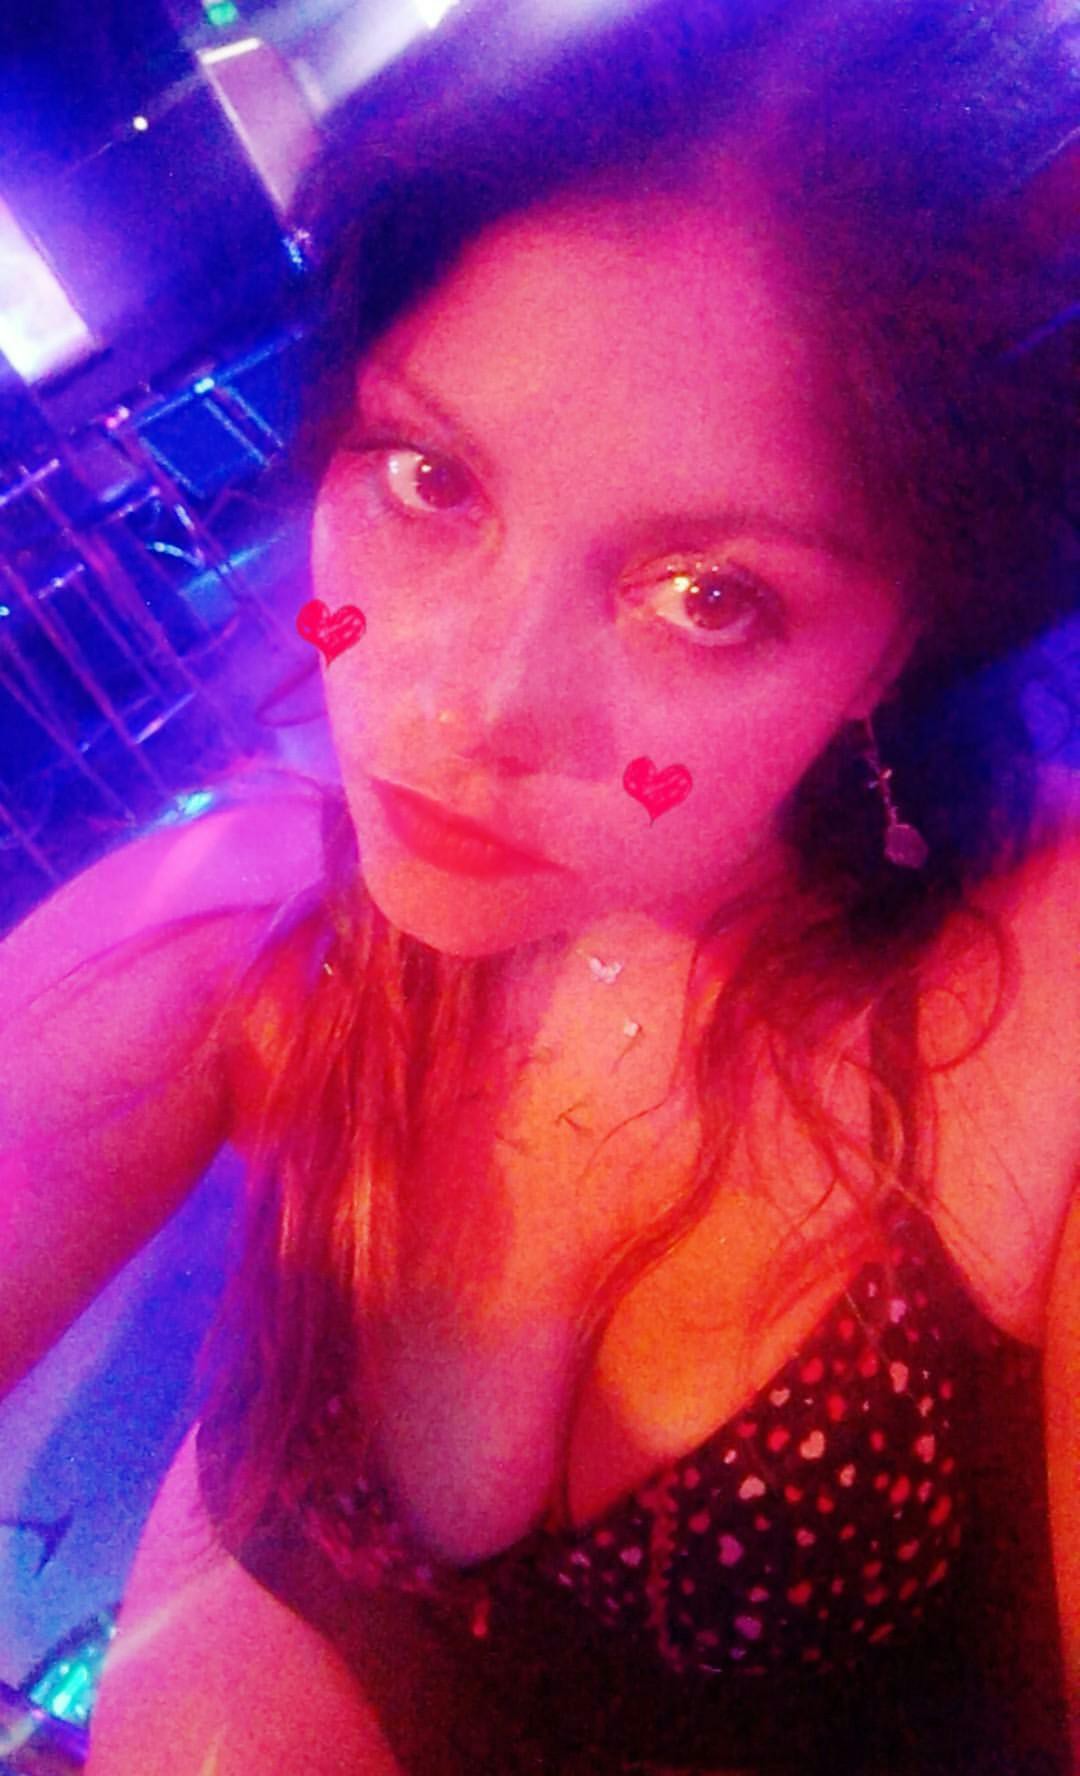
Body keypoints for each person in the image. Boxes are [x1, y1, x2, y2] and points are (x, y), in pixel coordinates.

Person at [1, 1, 1077, 1769]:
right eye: (429, 480)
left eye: (709, 595)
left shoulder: (1037, 998)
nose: (468, 710)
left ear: (905, 636)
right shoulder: (250, 924)